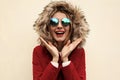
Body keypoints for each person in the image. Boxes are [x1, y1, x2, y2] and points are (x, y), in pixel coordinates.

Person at [32, 1, 89, 80]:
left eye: (65, 22)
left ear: (71, 27)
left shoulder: (79, 52)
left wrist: (65, 60)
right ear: (47, 27)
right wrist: (55, 59)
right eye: (54, 22)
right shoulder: (38, 51)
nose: (59, 26)